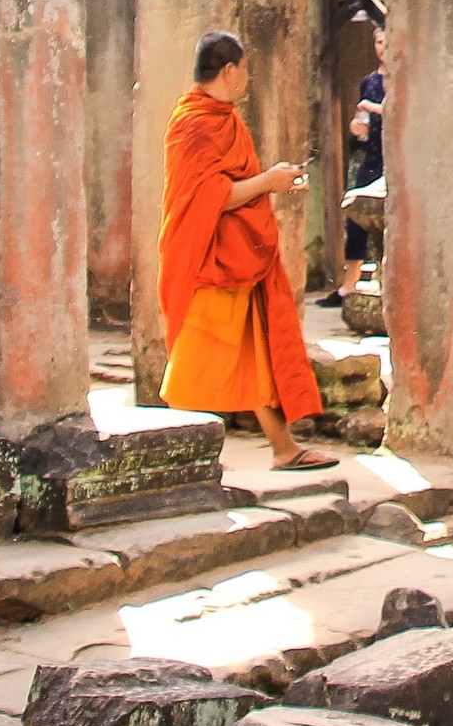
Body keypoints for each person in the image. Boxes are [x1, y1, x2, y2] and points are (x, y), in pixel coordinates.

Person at [159, 30, 334, 469]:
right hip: (209, 259)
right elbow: (209, 197)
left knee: (253, 355)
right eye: (245, 69)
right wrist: (267, 183)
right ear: (229, 70)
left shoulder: (225, 118)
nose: (248, 78)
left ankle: (283, 448)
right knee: (193, 364)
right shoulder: (193, 123)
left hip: (239, 258)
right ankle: (171, 457)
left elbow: (235, 188)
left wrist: (274, 184)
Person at [319, 23, 386, 306]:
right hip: (371, 155)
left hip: (397, 158)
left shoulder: (406, 78)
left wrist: (376, 109)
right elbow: (363, 121)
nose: (383, 48)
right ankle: (349, 284)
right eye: (379, 42)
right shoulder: (369, 82)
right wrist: (357, 129)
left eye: (388, 41)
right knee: (356, 218)